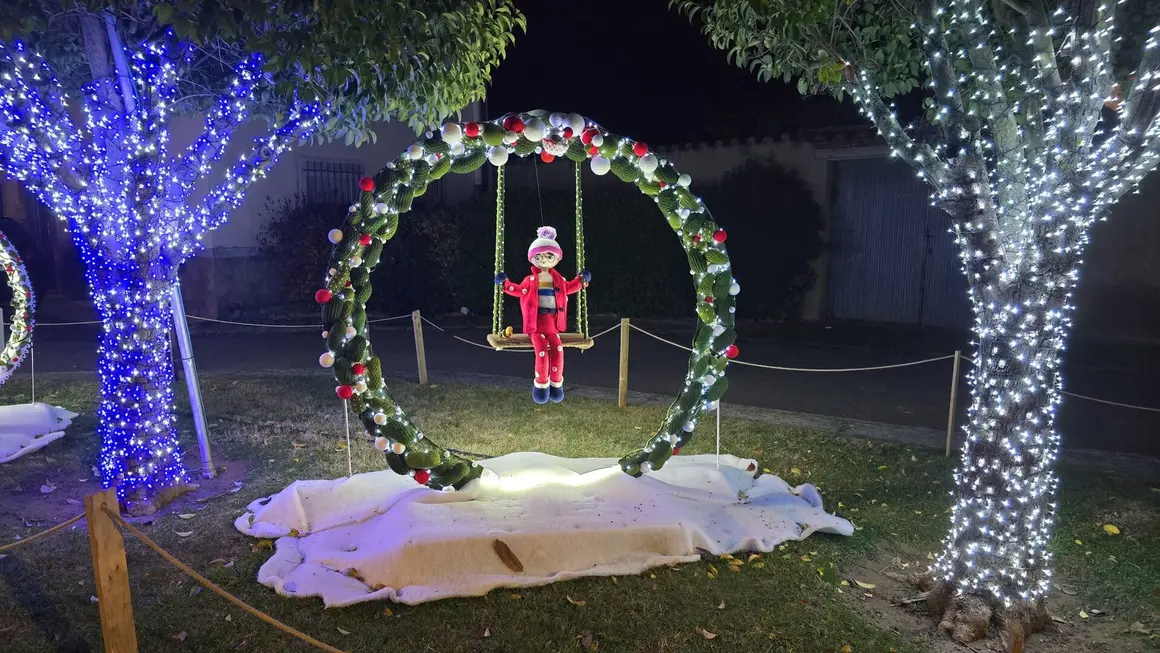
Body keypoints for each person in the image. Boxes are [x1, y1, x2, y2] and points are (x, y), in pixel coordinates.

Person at [495, 226, 591, 404]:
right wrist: (505, 284)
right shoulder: (531, 280)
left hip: (553, 325)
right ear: (533, 258)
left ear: (556, 258)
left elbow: (570, 287)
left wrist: (581, 281)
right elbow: (518, 290)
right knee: (541, 352)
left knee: (558, 351)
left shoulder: (559, 280)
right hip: (535, 325)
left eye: (549, 256)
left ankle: (556, 385)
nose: (544, 260)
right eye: (538, 257)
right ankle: (540, 386)